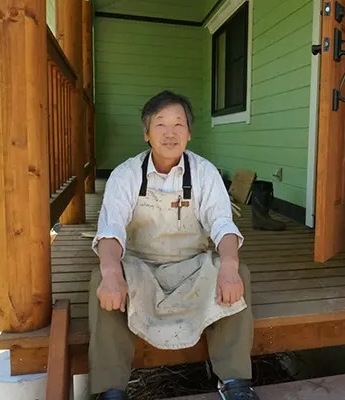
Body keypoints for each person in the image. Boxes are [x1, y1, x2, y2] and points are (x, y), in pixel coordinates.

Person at [89, 90, 258, 400]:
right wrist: (112, 271)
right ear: (146, 133)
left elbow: (222, 223)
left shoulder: (205, 173)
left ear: (189, 133)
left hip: (191, 268)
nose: (170, 133)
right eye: (160, 124)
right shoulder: (125, 175)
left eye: (179, 124)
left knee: (237, 273)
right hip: (140, 269)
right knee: (104, 277)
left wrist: (230, 266)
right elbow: (111, 228)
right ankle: (110, 390)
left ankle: (235, 382)